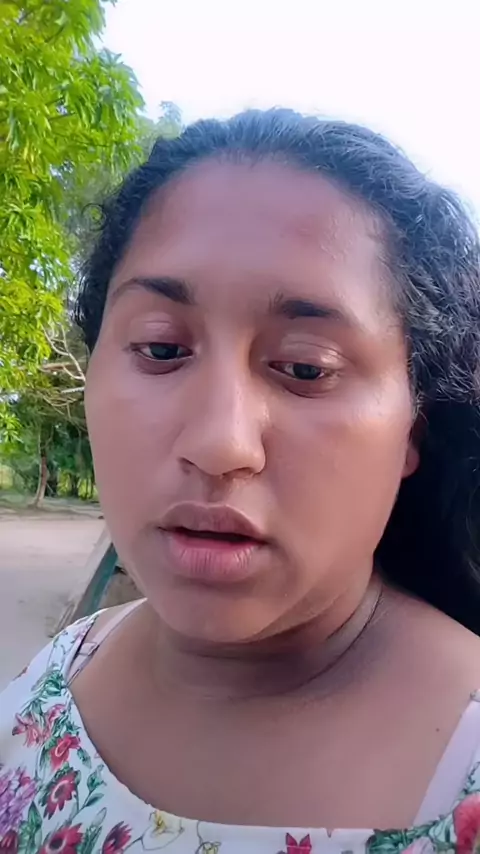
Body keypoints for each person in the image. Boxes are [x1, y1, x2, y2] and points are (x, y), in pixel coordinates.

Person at [2, 108, 480, 854]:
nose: (219, 443)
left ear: (415, 426)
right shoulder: (57, 675)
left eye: (305, 368)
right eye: (161, 349)